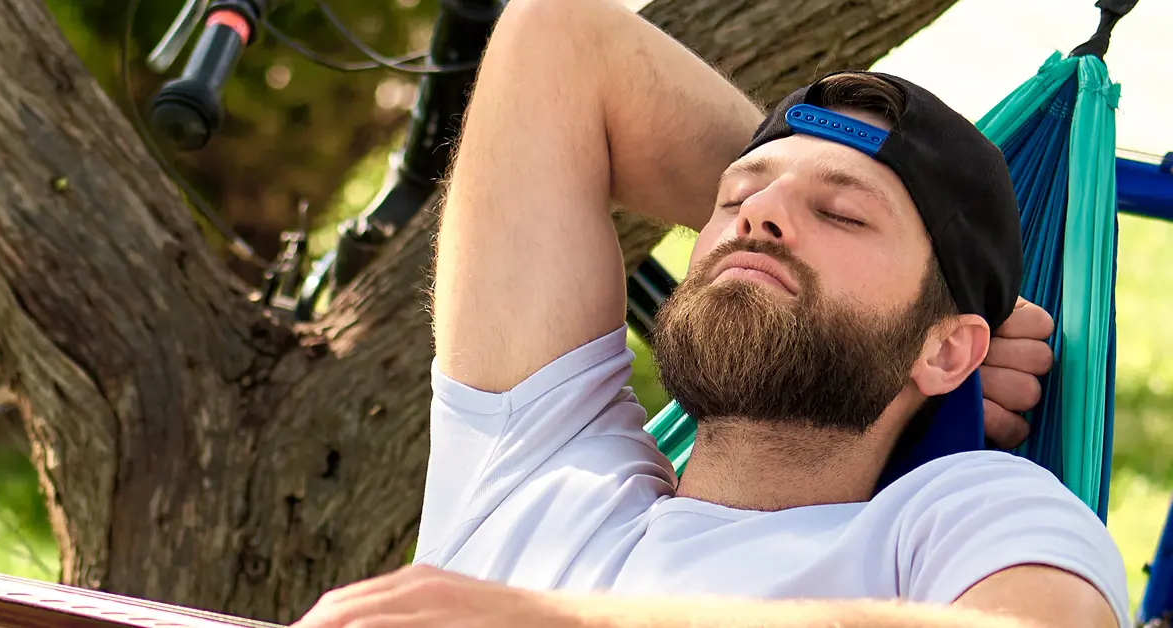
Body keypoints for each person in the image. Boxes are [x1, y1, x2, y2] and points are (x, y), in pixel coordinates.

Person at [292, 0, 1128, 626]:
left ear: (950, 352)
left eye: (842, 214)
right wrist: (814, 233)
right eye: (734, 200)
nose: (757, 215)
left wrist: (567, 621)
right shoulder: (538, 463)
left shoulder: (952, 516)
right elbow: (561, 38)